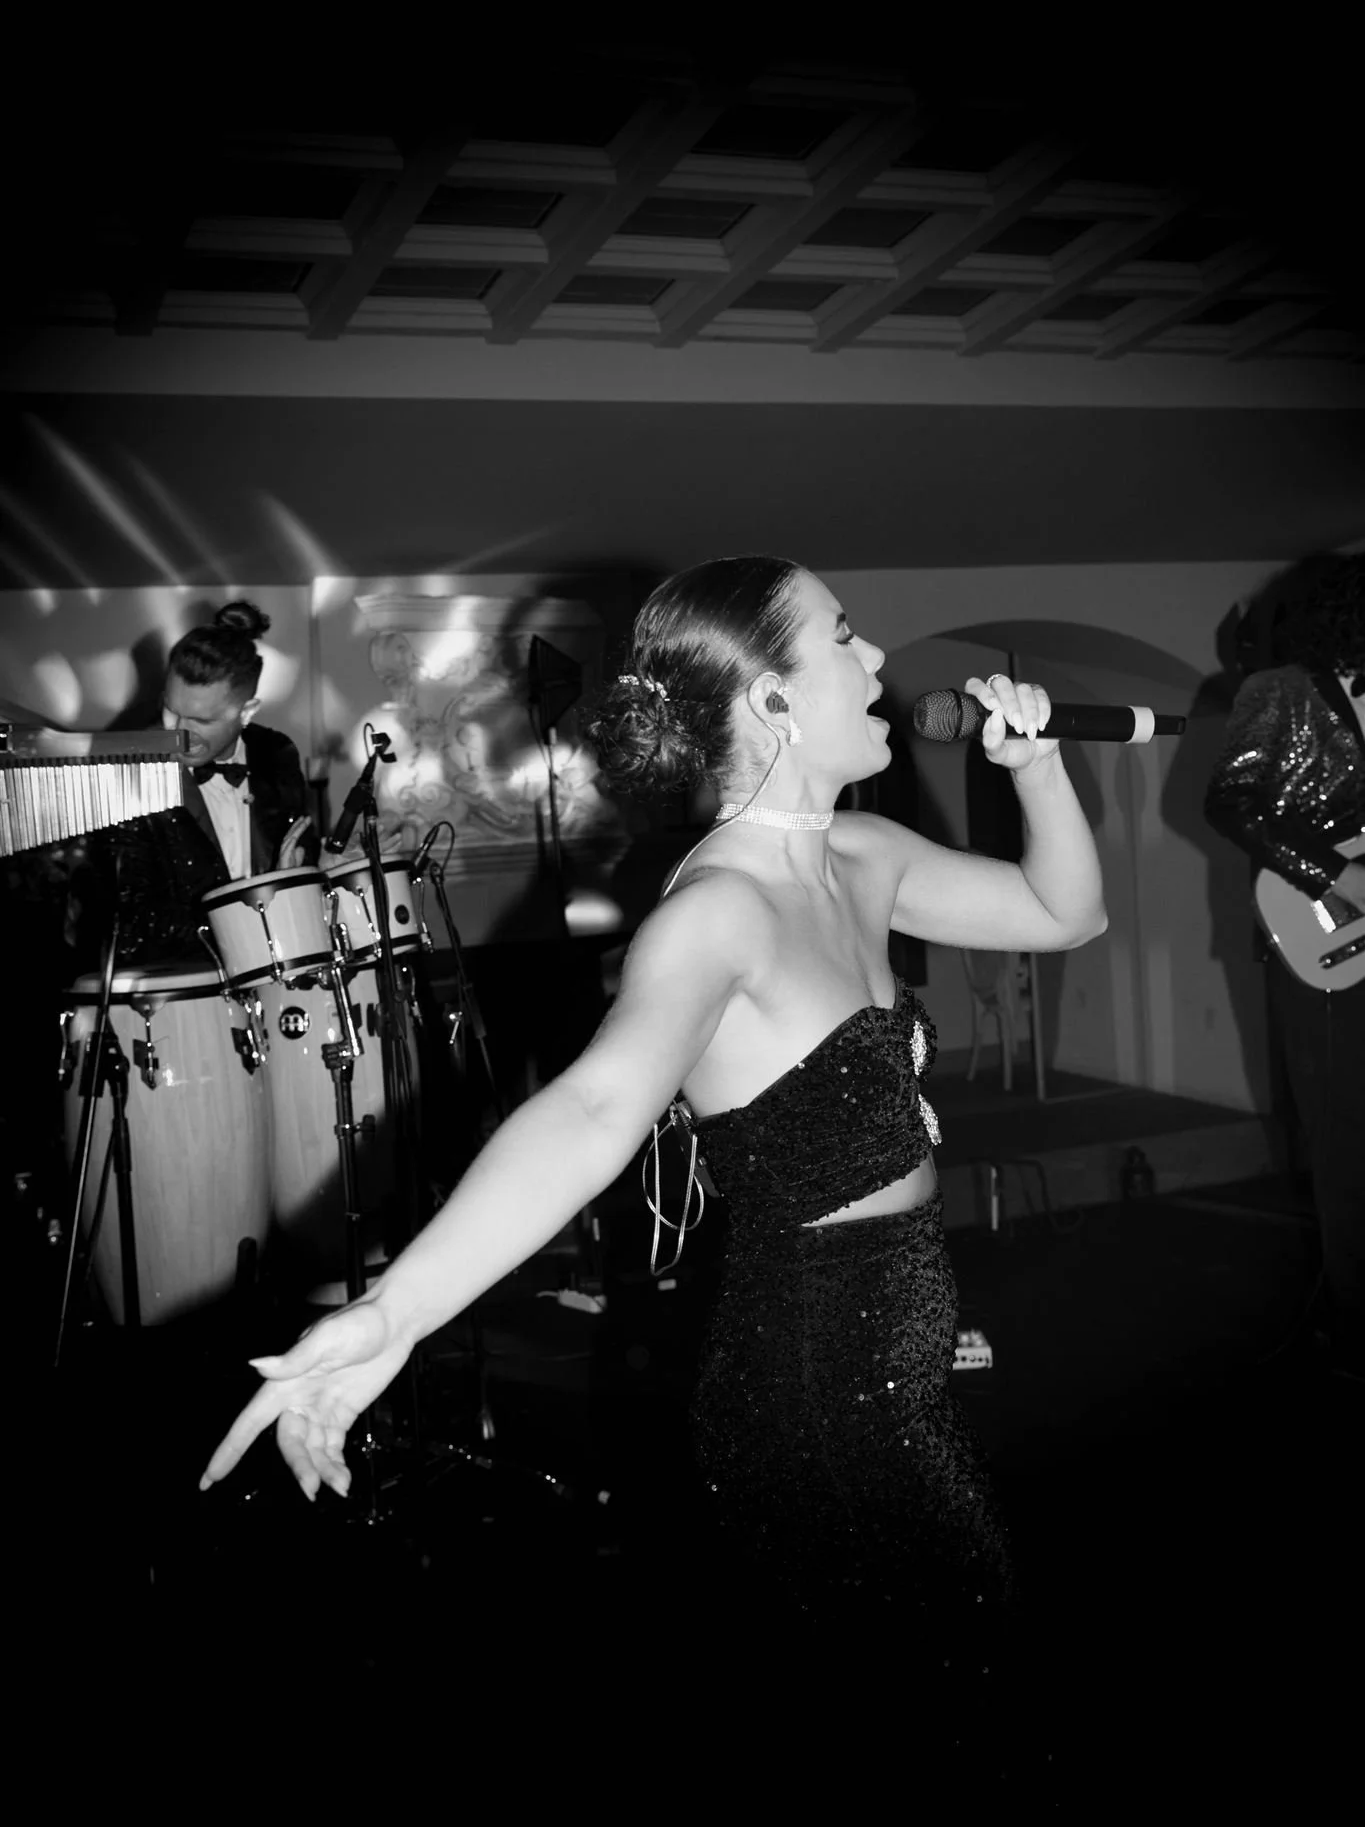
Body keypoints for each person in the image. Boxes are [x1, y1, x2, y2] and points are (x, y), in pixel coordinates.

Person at [200, 558, 1105, 1722]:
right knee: (951, 1686)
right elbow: (591, 1111)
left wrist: (1039, 769)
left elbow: (1064, 912)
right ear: (772, 698)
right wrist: (397, 1310)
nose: (877, 656)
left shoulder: (865, 856)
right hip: (814, 1389)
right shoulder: (717, 909)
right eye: (843, 635)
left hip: (896, 1365)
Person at [1204, 552, 1365, 1380]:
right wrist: (1336, 874)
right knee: (1344, 1142)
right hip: (1321, 936)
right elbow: (1229, 802)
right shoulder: (1281, 691)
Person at [82, 599, 318, 963]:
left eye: (202, 721)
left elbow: (301, 864)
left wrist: (325, 866)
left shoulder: (276, 754)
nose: (178, 733)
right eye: (171, 711)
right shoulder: (128, 771)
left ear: (247, 712)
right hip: (180, 985)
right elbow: (130, 927)